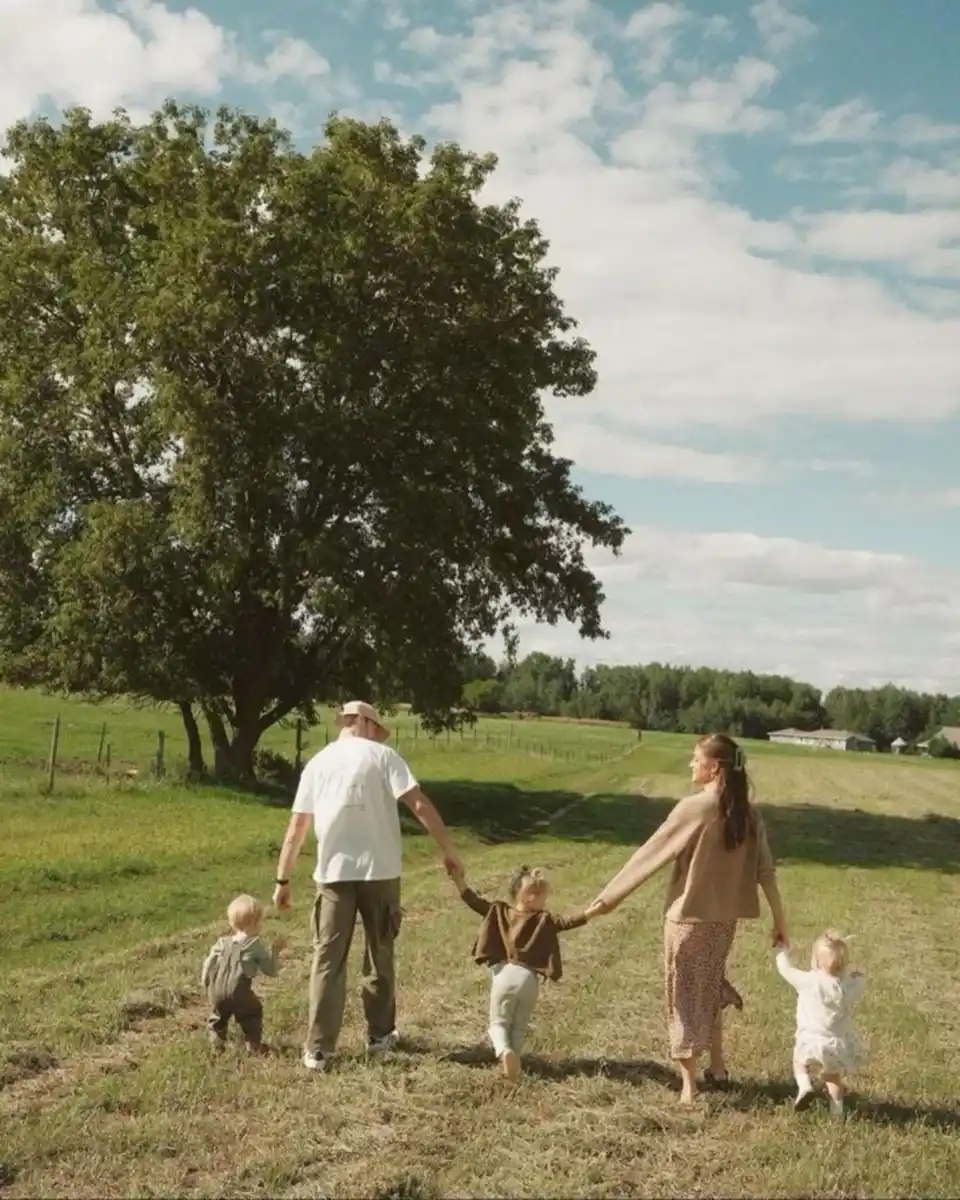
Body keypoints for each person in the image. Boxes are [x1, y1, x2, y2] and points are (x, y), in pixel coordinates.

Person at [591, 732, 789, 1105]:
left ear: (714, 767)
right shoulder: (748, 813)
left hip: (686, 920)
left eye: (695, 758)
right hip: (722, 922)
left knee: (683, 994)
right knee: (708, 984)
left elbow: (649, 856)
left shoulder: (694, 808)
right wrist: (780, 922)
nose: (690, 764)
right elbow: (766, 871)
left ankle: (689, 1086)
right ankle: (718, 1067)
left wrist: (605, 900)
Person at [273, 700, 462, 1071]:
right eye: (376, 727)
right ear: (362, 721)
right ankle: (379, 1036)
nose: (377, 735)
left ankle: (318, 1049)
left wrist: (282, 879)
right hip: (381, 873)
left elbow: (296, 828)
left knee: (328, 959)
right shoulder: (384, 757)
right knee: (379, 954)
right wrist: (449, 850)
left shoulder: (317, 763)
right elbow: (419, 805)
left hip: (332, 875)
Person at [448, 863, 605, 1079]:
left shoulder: (498, 910)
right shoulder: (545, 919)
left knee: (498, 1024)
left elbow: (472, 900)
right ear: (528, 896)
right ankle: (515, 1062)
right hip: (530, 981)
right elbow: (568, 922)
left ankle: (504, 1052)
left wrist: (458, 880)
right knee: (519, 1026)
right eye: (541, 894)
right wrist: (592, 912)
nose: (544, 899)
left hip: (505, 975)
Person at [774, 930, 866, 1118]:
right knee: (833, 1077)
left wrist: (780, 951)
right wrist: (857, 976)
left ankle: (805, 1086)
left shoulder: (809, 981)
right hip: (837, 1045)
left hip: (811, 1041)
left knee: (799, 1062)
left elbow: (786, 970)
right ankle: (837, 1110)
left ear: (816, 961)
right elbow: (860, 979)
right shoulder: (848, 986)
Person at [200, 893, 287, 1054]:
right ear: (255, 922)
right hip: (238, 991)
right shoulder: (254, 945)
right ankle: (253, 1045)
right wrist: (275, 952)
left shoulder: (222, 943)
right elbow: (271, 971)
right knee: (252, 1012)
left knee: (218, 1017)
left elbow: (209, 962)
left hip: (216, 990)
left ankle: (216, 1046)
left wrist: (205, 980)